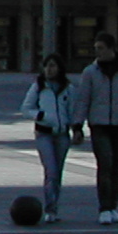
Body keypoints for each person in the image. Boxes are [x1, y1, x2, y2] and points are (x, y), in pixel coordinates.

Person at [70, 31, 118, 225]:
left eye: (101, 48)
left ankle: (113, 206)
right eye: (95, 48)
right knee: (105, 163)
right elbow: (83, 99)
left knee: (117, 167)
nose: (97, 52)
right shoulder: (90, 72)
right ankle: (104, 207)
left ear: (112, 49)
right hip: (99, 124)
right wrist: (78, 125)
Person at [22, 54, 74, 224]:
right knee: (50, 171)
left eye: (52, 66)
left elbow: (72, 111)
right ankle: (49, 209)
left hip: (62, 134)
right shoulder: (38, 87)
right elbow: (26, 107)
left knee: (57, 172)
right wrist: (39, 115)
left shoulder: (68, 88)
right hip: (44, 133)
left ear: (59, 68)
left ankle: (54, 206)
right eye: (46, 66)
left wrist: (77, 128)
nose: (49, 70)